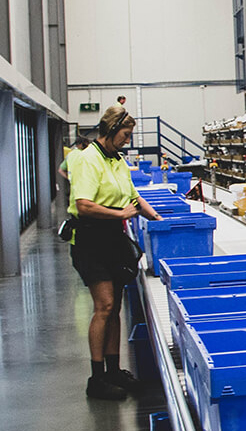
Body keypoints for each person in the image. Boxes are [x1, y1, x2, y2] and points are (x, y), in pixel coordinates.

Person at [68, 106, 162, 400]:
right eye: (125, 134)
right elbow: (83, 204)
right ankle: (96, 379)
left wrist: (159, 221)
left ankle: (113, 371)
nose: (128, 140)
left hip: (113, 238)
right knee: (104, 306)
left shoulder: (117, 161)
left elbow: (134, 196)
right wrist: (119, 212)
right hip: (90, 239)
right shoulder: (87, 159)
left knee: (116, 306)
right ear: (109, 131)